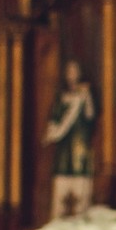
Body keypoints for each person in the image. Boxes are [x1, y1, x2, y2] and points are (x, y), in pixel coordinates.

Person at [43, 59, 98, 218]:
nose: (72, 74)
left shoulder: (84, 94)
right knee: (60, 200)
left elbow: (90, 116)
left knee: (81, 200)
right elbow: (55, 120)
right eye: (69, 70)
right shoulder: (61, 97)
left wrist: (85, 96)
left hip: (80, 147)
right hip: (64, 150)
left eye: (75, 70)